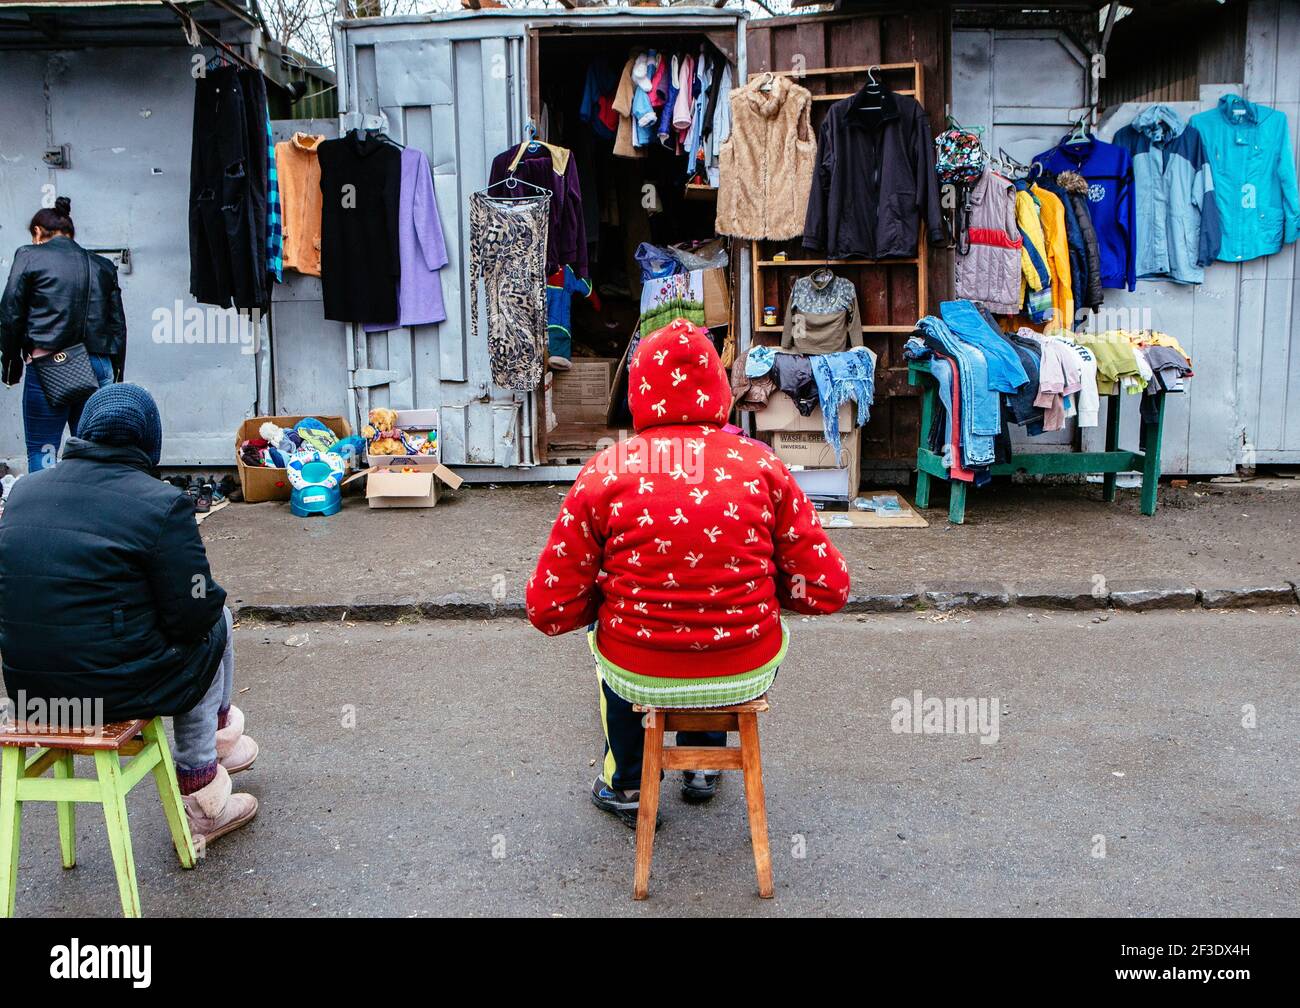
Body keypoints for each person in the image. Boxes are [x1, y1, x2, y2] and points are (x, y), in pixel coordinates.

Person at [526, 318, 850, 826]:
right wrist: (759, 587)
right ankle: (703, 767)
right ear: (719, 390)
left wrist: (608, 602)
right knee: (723, 620)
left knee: (607, 634)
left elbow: (548, 608)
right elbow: (828, 588)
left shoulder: (605, 470)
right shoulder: (763, 465)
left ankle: (628, 784)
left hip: (640, 672)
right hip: (745, 667)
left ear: (639, 391)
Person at [0, 384, 258, 843]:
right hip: (112, 692)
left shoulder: (23, 491)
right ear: (149, 441)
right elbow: (194, 611)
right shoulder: (161, 504)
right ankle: (203, 786)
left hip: (31, 691)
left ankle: (223, 747)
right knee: (215, 624)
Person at [0, 196, 127, 473]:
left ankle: (46, 512)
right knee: (96, 452)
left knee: (43, 448)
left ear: (37, 232)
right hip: (97, 366)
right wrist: (116, 374)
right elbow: (118, 324)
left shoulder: (29, 255)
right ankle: (90, 511)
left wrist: (10, 364)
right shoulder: (103, 266)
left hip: (51, 367)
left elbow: (11, 312)